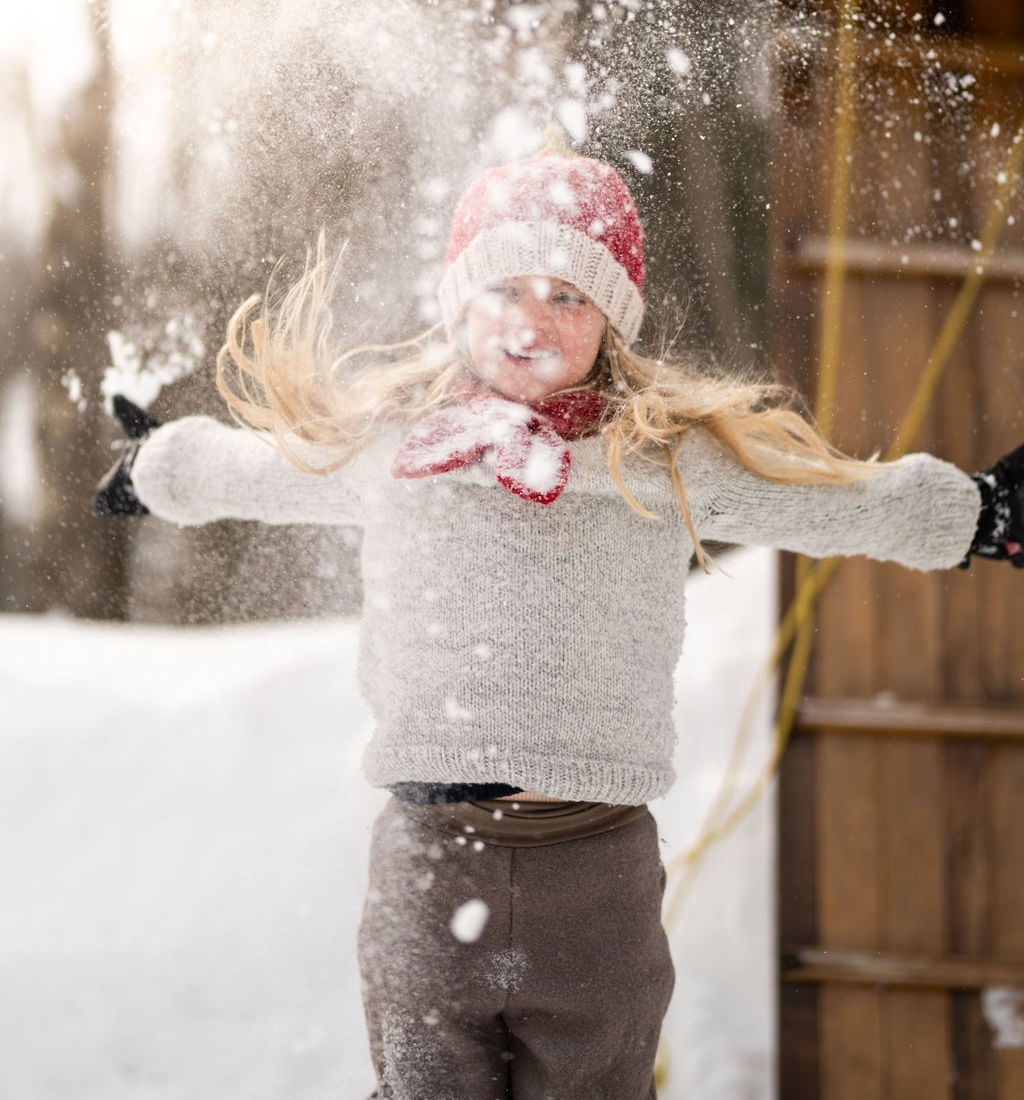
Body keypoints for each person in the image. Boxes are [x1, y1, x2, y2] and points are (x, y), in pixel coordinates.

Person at [95, 145, 1024, 1100]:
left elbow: (826, 502)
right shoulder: (394, 447)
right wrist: (164, 466)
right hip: (429, 865)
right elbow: (265, 470)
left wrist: (973, 516)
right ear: (460, 301)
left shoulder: (661, 461)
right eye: (506, 288)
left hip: (598, 870)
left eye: (570, 297)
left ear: (612, 321)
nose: (533, 321)